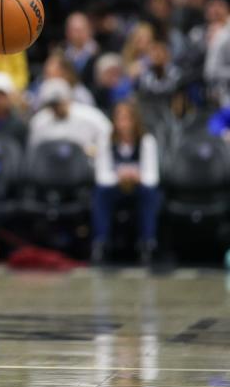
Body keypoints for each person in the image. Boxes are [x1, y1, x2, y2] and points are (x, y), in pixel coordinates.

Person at [91, 101, 160, 265]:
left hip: (138, 187)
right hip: (115, 188)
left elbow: (152, 177)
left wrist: (137, 176)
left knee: (150, 194)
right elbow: (101, 176)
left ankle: (147, 243)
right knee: (101, 193)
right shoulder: (106, 140)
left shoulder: (147, 141)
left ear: (135, 121)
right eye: (120, 119)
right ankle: (101, 243)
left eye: (127, 119)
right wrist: (119, 177)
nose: (123, 124)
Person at [27, 78, 111, 159]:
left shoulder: (89, 116)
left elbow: (106, 129)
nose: (56, 108)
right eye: (52, 105)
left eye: (59, 103)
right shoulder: (39, 122)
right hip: (51, 168)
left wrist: (96, 150)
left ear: (68, 99)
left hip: (84, 167)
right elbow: (34, 151)